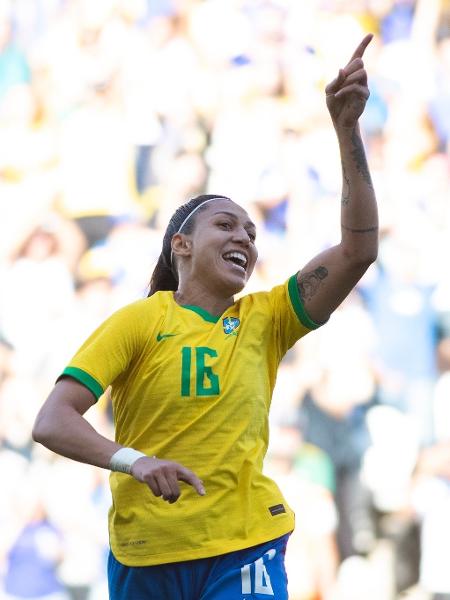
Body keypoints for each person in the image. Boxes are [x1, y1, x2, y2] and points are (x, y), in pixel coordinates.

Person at [32, 34, 378, 600]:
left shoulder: (269, 318)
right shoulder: (139, 322)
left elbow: (357, 251)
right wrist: (134, 462)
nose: (243, 235)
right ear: (181, 246)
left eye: (251, 231)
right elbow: (52, 421)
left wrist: (346, 131)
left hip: (246, 544)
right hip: (146, 552)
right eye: (225, 225)